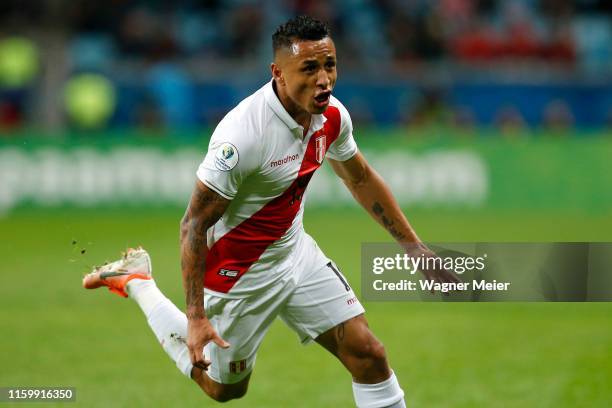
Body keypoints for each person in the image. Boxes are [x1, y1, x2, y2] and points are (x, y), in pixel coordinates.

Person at [83, 15, 459, 407]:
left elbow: (360, 178)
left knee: (369, 355)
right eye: (309, 68)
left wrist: (414, 249)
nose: (323, 79)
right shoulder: (243, 136)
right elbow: (193, 225)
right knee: (224, 390)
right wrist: (195, 317)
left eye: (329, 65)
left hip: (295, 253)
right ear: (278, 72)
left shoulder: (331, 116)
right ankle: (138, 281)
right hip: (239, 276)